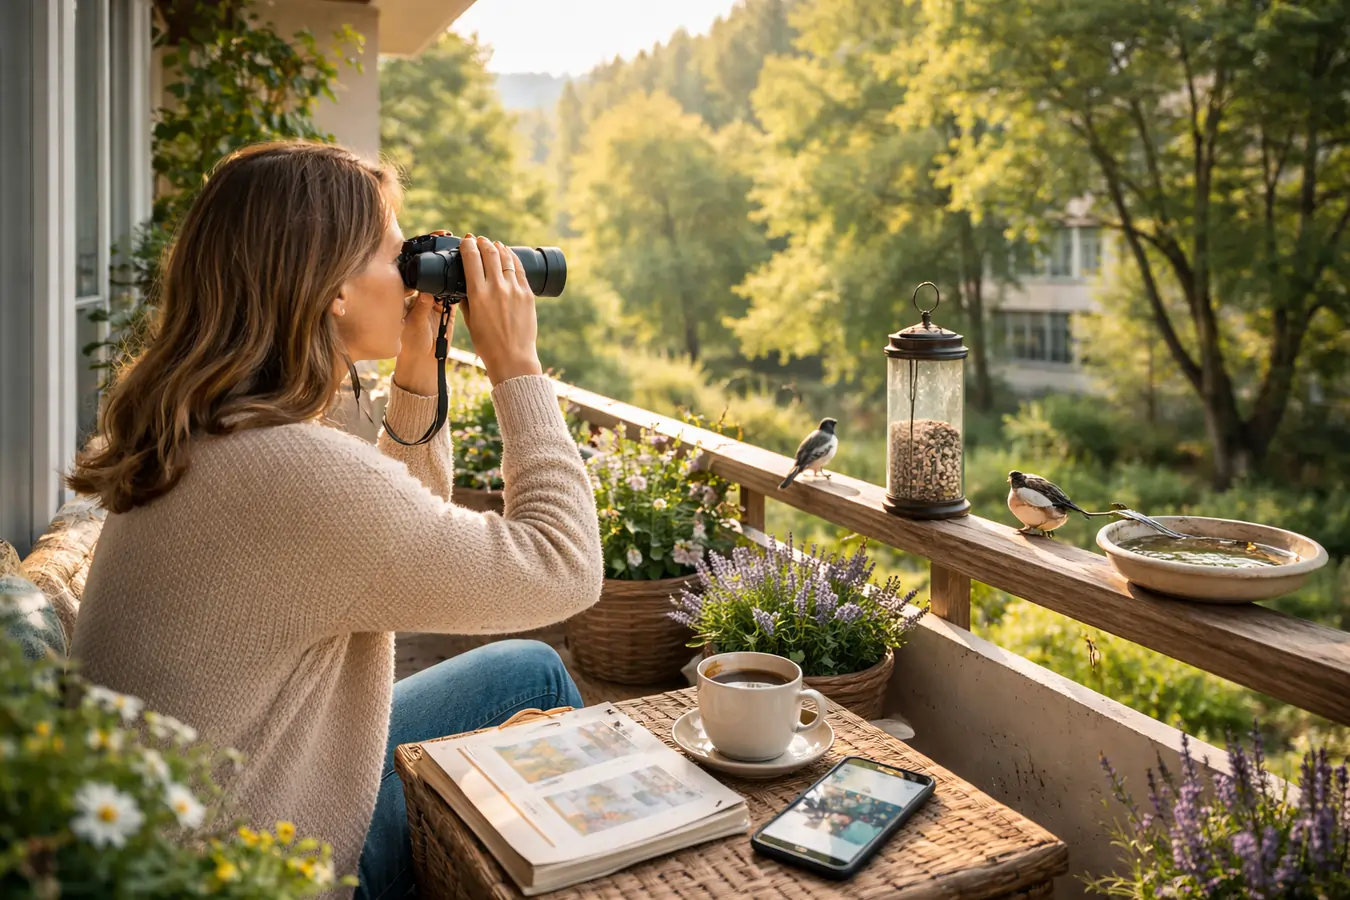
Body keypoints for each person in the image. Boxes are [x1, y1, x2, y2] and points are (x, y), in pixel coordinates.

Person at [67, 141, 603, 899]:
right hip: (261, 876)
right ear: (336, 292)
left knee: (527, 671)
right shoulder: (290, 474)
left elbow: (387, 541)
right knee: (540, 678)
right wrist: (517, 364)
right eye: (396, 253)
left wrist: (420, 364)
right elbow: (562, 568)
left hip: (217, 813)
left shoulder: (207, 435)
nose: (412, 273)